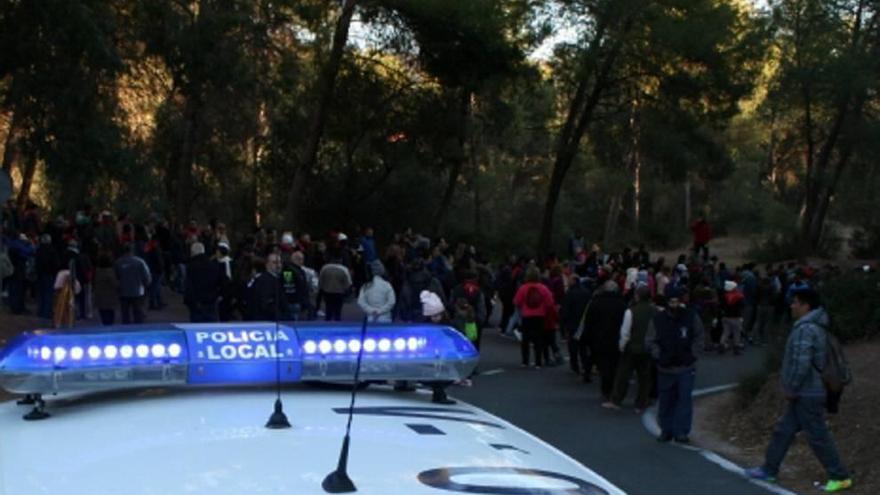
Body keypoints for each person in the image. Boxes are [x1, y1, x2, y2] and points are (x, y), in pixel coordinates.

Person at [745, 289, 852, 492]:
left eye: (795, 303)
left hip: (808, 393)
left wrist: (791, 387)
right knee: (783, 431)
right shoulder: (815, 326)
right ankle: (769, 469)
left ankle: (840, 475)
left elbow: (801, 363)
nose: (792, 306)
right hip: (807, 392)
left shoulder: (806, 330)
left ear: (806, 306)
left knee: (818, 436)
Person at [647, 286, 704, 443]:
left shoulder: (691, 317)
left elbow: (699, 336)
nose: (673, 304)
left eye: (676, 301)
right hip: (665, 367)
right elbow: (650, 341)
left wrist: (692, 355)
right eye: (671, 302)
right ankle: (666, 429)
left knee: (684, 400)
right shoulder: (658, 320)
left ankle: (681, 431)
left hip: (685, 367)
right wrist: (659, 356)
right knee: (666, 400)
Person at [608, 285, 655, 412]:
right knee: (644, 377)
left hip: (632, 347)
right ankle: (641, 403)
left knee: (623, 375)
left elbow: (625, 332)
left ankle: (616, 400)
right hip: (647, 348)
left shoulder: (631, 311)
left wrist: (622, 346)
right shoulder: (655, 311)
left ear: (637, 296)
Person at [512, 267, 557, 369]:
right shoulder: (543, 288)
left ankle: (525, 361)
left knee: (525, 340)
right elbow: (550, 303)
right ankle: (538, 362)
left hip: (526, 316)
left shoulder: (523, 288)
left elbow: (516, 302)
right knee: (538, 339)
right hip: (540, 316)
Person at [184, 242, 227, 322]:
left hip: (196, 302)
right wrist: (219, 295)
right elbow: (224, 282)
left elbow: (189, 285)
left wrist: (189, 301)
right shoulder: (214, 264)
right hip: (211, 300)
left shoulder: (191, 266)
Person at [114, 243, 151, 324]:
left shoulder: (118, 262)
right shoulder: (140, 262)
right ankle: (138, 328)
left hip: (123, 291)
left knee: (125, 313)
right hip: (137, 291)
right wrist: (146, 285)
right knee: (138, 312)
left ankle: (126, 328)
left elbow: (115, 277)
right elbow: (147, 276)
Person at [318, 253, 352, 321]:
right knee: (338, 311)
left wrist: (321, 289)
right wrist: (346, 292)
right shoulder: (344, 269)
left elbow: (320, 281)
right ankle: (337, 323)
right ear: (340, 261)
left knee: (328, 308)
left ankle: (328, 322)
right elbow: (348, 283)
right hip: (339, 293)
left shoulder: (325, 268)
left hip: (327, 292)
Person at [92, 251, 118, 325]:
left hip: (99, 296)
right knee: (110, 316)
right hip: (110, 297)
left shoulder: (97, 271)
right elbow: (115, 283)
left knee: (103, 315)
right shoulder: (110, 271)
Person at [720, 280, 745, 354]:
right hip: (736, 317)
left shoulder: (724, 296)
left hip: (726, 316)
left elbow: (721, 306)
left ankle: (721, 345)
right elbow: (742, 306)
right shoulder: (739, 296)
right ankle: (736, 349)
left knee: (726, 332)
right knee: (736, 333)